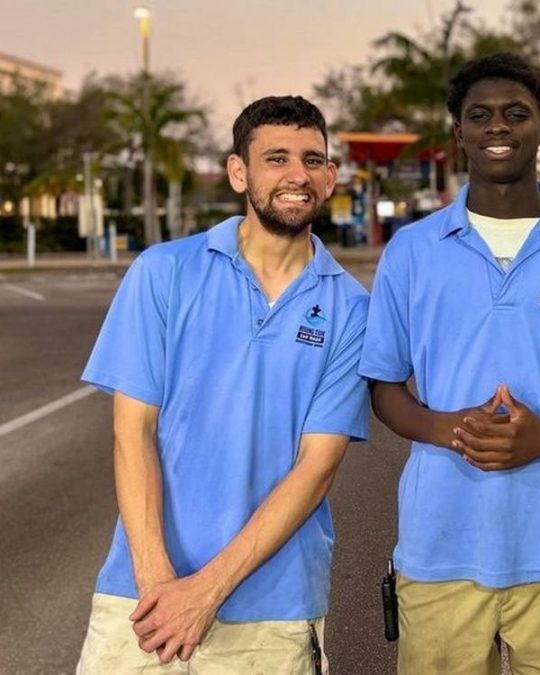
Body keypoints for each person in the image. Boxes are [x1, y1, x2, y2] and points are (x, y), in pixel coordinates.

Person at [359, 53, 540, 674]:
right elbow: (383, 383)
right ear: (457, 131)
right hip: (440, 549)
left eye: (517, 114)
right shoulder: (412, 252)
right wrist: (451, 428)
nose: (498, 127)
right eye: (480, 115)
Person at [76, 95, 370, 674]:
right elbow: (132, 430)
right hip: (141, 593)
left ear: (330, 177)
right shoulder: (164, 272)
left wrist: (208, 589)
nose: (296, 176)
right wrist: (159, 580)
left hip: (274, 608)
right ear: (240, 172)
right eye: (276, 158)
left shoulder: (352, 309)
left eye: (313, 160)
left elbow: (316, 468)